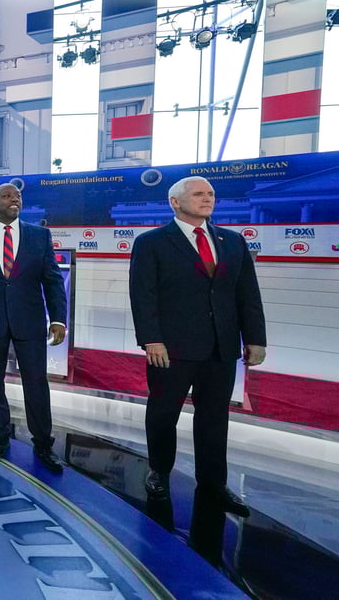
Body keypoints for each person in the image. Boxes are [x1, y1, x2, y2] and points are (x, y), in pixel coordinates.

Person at [129, 175, 266, 516]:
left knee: (214, 418)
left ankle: (213, 484)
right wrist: (151, 338)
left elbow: (247, 294)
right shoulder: (152, 242)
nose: (207, 199)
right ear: (175, 202)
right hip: (170, 348)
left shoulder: (232, 242)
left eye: (211, 194)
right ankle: (159, 472)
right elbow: (143, 295)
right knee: (163, 414)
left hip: (221, 347)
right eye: (198, 194)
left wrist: (255, 338)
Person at [0, 183, 68, 473]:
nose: (14, 199)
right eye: (6, 196)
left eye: (18, 196)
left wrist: (58, 318)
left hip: (29, 320)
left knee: (36, 383)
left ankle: (43, 443)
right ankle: (0, 434)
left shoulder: (39, 236)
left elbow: (53, 280)